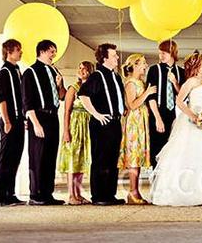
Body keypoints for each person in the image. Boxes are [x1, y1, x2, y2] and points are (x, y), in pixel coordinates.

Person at [149, 52, 202, 206]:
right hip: (192, 120)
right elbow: (180, 101)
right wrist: (194, 116)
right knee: (190, 153)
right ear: (195, 65)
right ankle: (185, 191)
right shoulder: (191, 81)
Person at [79, 43, 125, 206]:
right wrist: (96, 114)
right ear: (105, 58)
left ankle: (109, 194)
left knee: (112, 159)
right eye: (114, 55)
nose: (117, 58)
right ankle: (98, 196)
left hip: (115, 123)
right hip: (102, 124)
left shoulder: (116, 76)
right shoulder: (97, 76)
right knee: (101, 159)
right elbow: (83, 95)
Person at [21, 40, 66, 205]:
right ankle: (36, 195)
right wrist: (35, 123)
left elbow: (61, 96)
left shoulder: (54, 70)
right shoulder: (30, 72)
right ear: (41, 52)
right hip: (39, 118)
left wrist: (60, 84)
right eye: (51, 51)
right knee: (37, 156)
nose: (54, 54)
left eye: (55, 51)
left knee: (50, 156)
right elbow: (27, 101)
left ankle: (48, 194)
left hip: (53, 117)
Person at [118, 54, 156, 205]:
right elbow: (132, 105)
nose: (146, 66)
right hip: (134, 122)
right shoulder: (131, 83)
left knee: (138, 157)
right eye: (143, 64)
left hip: (141, 121)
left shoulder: (140, 82)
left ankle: (135, 191)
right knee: (134, 157)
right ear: (134, 65)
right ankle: (132, 192)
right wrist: (147, 93)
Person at [0, 39, 26, 206]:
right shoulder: (3, 73)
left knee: (15, 158)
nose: (21, 52)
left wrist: (23, 118)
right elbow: (2, 99)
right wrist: (6, 120)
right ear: (9, 52)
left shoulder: (17, 70)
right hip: (9, 121)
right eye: (18, 50)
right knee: (5, 158)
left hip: (19, 121)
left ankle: (10, 193)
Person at [58, 61, 94, 205]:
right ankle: (71, 195)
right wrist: (66, 131)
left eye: (85, 68)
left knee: (81, 161)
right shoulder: (73, 88)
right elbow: (67, 111)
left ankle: (78, 193)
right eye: (79, 68)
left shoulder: (91, 88)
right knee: (72, 160)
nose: (82, 70)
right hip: (74, 126)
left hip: (86, 127)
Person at [146, 40, 185, 167]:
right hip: (157, 113)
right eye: (159, 53)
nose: (161, 56)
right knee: (157, 148)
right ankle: (156, 180)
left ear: (172, 53)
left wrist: (174, 82)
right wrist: (157, 118)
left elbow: (183, 95)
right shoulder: (154, 70)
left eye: (164, 53)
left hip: (173, 115)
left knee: (172, 148)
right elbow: (151, 97)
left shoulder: (181, 71)